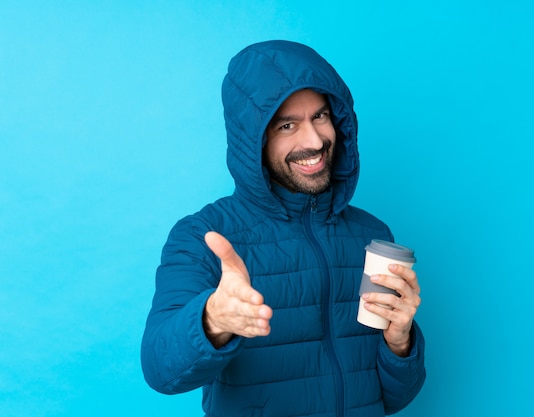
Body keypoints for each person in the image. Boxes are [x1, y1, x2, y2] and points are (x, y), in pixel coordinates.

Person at [141, 40, 426, 417]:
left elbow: (393, 399)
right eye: (287, 125)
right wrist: (212, 320)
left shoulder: (371, 235)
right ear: (253, 140)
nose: (314, 141)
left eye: (320, 117)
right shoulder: (205, 236)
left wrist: (399, 342)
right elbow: (160, 370)